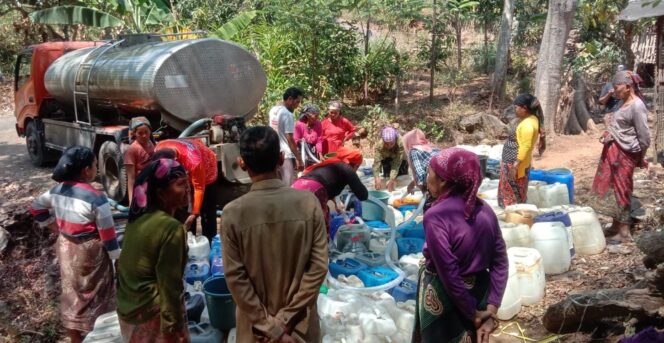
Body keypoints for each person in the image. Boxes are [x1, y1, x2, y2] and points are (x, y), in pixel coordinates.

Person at [221, 126, 328, 342]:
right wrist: (284, 320)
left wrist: (269, 327)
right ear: (281, 159)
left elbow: (236, 280)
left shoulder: (232, 214)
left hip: (256, 332)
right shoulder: (308, 203)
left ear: (242, 163)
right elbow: (318, 268)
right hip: (299, 328)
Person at [413, 148, 508, 343]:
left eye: (430, 173)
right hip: (479, 295)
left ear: (444, 181)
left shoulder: (436, 216)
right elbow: (500, 262)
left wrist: (472, 314)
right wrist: (490, 310)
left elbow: (448, 272)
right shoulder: (486, 210)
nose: (426, 178)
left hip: (445, 299)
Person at [30, 146, 120, 343]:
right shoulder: (97, 197)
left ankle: (74, 338)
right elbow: (108, 236)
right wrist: (117, 259)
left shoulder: (56, 191)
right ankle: (96, 336)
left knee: (73, 292)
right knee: (96, 294)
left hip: (66, 247)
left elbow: (36, 208)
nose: (97, 168)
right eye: (96, 165)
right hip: (90, 251)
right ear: (86, 170)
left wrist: (56, 227)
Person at [116, 158, 190, 342]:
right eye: (181, 184)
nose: (188, 189)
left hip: (128, 309)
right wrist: (175, 328)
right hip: (149, 314)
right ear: (161, 193)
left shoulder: (138, 219)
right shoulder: (171, 228)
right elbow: (170, 285)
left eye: (187, 183)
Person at [589, 70, 650, 244]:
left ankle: (624, 231)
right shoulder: (623, 103)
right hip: (613, 152)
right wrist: (608, 133)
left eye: (617, 87)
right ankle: (616, 225)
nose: (614, 90)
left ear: (628, 86)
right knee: (613, 188)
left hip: (625, 154)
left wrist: (640, 157)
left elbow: (644, 137)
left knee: (623, 188)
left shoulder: (637, 106)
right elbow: (621, 127)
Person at [153, 139, 218, 244]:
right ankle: (188, 239)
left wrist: (195, 213)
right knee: (184, 208)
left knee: (207, 210)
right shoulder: (158, 148)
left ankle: (210, 243)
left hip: (207, 166)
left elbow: (199, 188)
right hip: (188, 162)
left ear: (175, 160)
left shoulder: (194, 161)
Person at [293, 146, 369, 233]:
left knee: (299, 223)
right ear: (356, 165)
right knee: (320, 229)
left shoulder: (329, 164)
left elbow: (326, 182)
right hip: (314, 190)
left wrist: (336, 203)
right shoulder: (347, 168)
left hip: (296, 187)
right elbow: (363, 195)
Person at [497, 93, 545, 207]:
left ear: (525, 108)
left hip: (514, 163)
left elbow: (525, 146)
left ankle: (514, 215)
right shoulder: (531, 119)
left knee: (512, 196)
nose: (515, 110)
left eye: (516, 107)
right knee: (514, 193)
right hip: (513, 161)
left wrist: (515, 166)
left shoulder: (528, 124)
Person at [269, 87, 305, 185]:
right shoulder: (287, 114)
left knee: (277, 184)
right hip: (286, 155)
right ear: (289, 99)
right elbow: (290, 138)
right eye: (297, 102)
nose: (298, 105)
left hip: (275, 152)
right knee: (289, 184)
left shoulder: (274, 110)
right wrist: (299, 159)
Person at [402, 129, 440, 210]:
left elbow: (420, 173)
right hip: (444, 179)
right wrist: (412, 184)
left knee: (429, 208)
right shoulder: (433, 147)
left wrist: (424, 191)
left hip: (434, 181)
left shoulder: (414, 151)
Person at [124, 117, 155, 205]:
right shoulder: (132, 150)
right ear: (134, 134)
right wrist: (131, 201)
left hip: (152, 186)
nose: (144, 135)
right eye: (140, 133)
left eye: (146, 132)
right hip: (141, 188)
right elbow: (131, 179)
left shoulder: (151, 144)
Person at [373, 126, 407, 192]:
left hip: (401, 160)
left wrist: (392, 179)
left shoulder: (401, 143)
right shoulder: (380, 145)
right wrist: (376, 177)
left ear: (395, 139)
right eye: (386, 144)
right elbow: (377, 162)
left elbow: (397, 163)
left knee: (401, 179)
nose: (389, 146)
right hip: (387, 157)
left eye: (391, 143)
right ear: (383, 141)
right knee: (386, 178)